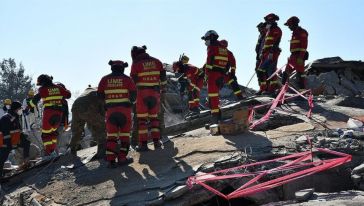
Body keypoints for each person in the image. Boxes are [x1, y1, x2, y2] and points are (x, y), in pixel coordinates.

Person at [98, 60, 136, 168]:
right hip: (125, 111)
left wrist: (105, 104)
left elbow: (100, 95)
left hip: (110, 112)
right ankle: (122, 158)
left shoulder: (104, 79)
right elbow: (134, 94)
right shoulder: (127, 79)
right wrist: (130, 102)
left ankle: (111, 162)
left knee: (111, 137)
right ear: (122, 68)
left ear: (112, 68)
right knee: (125, 136)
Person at [130, 45, 167, 151]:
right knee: (154, 119)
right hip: (155, 93)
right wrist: (163, 90)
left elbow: (133, 82)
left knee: (142, 121)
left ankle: (143, 144)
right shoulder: (157, 61)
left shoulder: (136, 64)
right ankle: (157, 143)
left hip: (142, 94)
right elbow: (163, 78)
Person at [30, 74, 71, 156]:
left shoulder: (42, 89)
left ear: (43, 82)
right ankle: (53, 152)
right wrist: (66, 91)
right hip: (59, 114)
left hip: (49, 113)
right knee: (53, 133)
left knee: (45, 134)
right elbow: (68, 95)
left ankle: (50, 153)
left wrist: (29, 107)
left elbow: (34, 100)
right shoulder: (59, 88)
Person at [201, 30, 229, 124]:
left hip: (213, 74)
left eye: (206, 39)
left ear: (211, 37)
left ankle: (215, 120)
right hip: (221, 75)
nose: (205, 41)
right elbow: (226, 63)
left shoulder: (211, 47)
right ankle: (218, 117)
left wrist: (206, 76)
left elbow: (209, 62)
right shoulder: (223, 48)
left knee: (212, 97)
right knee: (215, 97)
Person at [0, 101, 30, 177]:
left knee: (26, 143)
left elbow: (18, 131)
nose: (21, 110)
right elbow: (5, 133)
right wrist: (9, 145)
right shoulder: (6, 118)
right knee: (2, 159)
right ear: (15, 109)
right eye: (20, 108)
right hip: (5, 143)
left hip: (14, 142)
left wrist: (23, 137)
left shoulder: (15, 117)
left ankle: (26, 161)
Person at [257, 13, 282, 95]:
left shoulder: (277, 30)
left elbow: (276, 42)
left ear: (271, 20)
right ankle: (263, 88)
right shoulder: (269, 30)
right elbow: (263, 37)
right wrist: (262, 53)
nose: (266, 22)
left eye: (267, 20)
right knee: (260, 71)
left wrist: (271, 52)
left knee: (271, 71)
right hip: (265, 53)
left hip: (272, 52)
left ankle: (271, 90)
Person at [282, 16, 309, 90]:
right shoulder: (294, 32)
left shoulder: (302, 32)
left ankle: (302, 90)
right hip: (292, 56)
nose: (288, 27)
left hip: (299, 56)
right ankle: (282, 89)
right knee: (286, 72)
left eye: (289, 25)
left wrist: (301, 57)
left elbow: (304, 46)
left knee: (300, 73)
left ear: (293, 24)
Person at [255, 22, 267, 93]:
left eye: (259, 28)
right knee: (257, 70)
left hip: (264, 55)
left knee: (263, 71)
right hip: (259, 55)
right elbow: (258, 46)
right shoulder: (260, 35)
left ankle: (265, 88)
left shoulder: (266, 34)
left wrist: (263, 54)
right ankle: (261, 87)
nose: (258, 30)